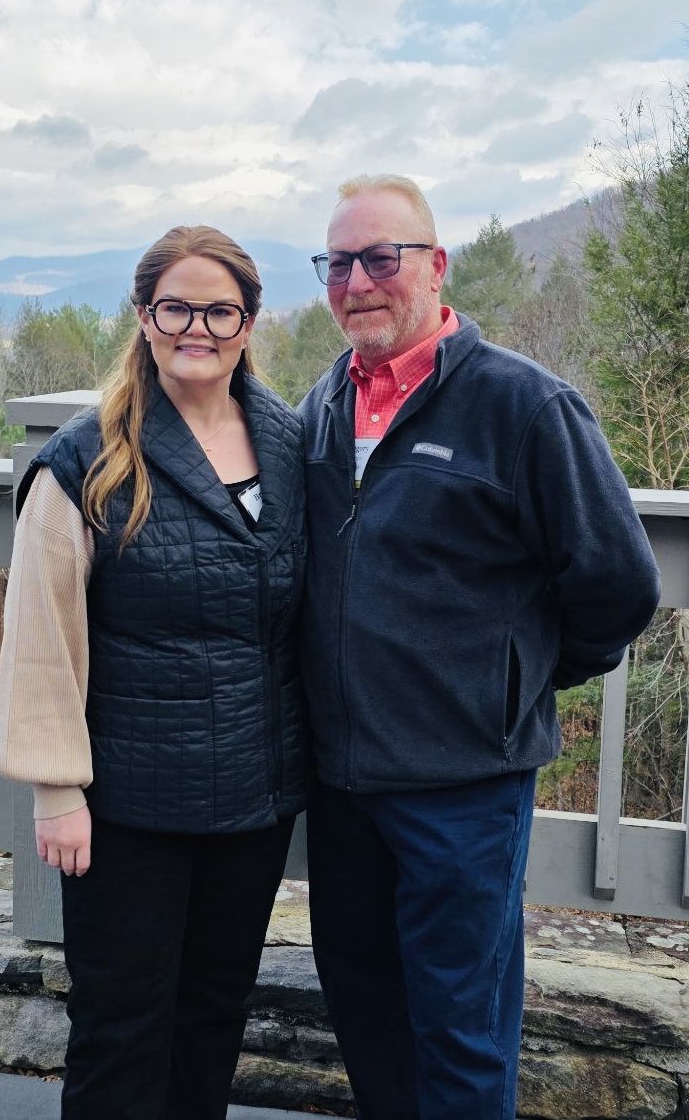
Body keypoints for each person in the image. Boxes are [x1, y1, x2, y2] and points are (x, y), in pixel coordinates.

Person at [298, 174, 661, 1120]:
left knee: (458, 1030)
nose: (357, 282)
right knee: (367, 1017)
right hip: (340, 785)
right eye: (338, 263)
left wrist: (514, 683)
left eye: (382, 257)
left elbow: (617, 584)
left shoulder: (524, 407)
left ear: (435, 265)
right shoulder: (324, 404)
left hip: (462, 787)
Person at [0, 225, 307, 1120]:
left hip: (253, 798)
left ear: (247, 322)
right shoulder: (87, 457)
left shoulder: (286, 440)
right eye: (176, 306)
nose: (196, 326)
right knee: (122, 1033)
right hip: (128, 807)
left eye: (219, 309)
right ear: (144, 315)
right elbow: (40, 631)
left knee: (211, 1022)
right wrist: (57, 790)